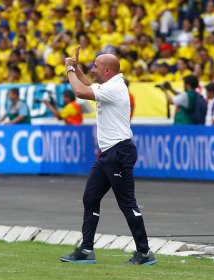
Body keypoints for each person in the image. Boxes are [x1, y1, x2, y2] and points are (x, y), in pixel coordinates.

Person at [59, 47, 156, 265]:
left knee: (127, 203)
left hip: (118, 151)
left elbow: (80, 91)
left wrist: (69, 70)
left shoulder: (115, 88)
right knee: (90, 198)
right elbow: (87, 84)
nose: (92, 70)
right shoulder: (111, 84)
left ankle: (144, 252)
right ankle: (86, 250)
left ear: (108, 70)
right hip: (110, 153)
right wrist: (77, 67)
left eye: (96, 67)